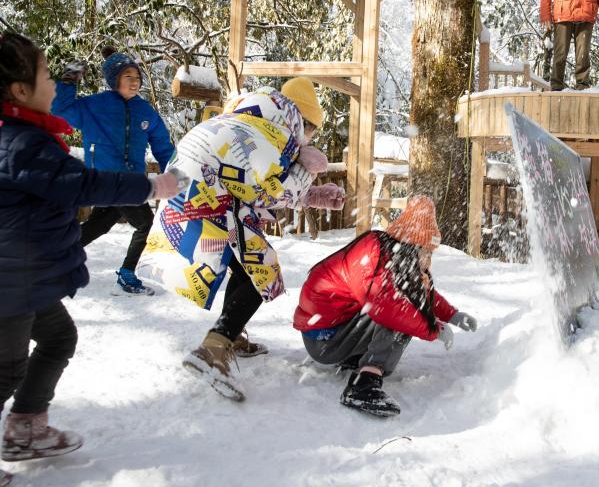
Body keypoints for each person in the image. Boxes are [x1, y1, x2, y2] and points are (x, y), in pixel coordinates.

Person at [0, 33, 184, 481]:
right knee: (5, 370)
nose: (134, 82)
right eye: (46, 76)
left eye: (137, 76)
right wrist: (150, 186)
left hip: (28, 275)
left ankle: (25, 427)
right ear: (21, 91)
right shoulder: (25, 143)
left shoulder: (27, 136)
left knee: (59, 338)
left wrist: (172, 164)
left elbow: (161, 141)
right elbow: (79, 182)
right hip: (12, 278)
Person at [141, 77, 345, 402]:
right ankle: (214, 349)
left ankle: (230, 336)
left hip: (192, 197)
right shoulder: (275, 134)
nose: (308, 141)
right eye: (311, 133)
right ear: (301, 122)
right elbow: (272, 188)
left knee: (245, 265)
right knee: (260, 271)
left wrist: (312, 194)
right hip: (210, 202)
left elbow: (256, 185)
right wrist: (305, 174)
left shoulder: (250, 119)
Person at [293, 195, 478, 418]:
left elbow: (419, 292)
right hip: (323, 339)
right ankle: (363, 385)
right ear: (412, 246)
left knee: (405, 310)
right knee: (398, 315)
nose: (428, 261)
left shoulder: (392, 254)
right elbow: (388, 307)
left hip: (336, 330)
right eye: (426, 252)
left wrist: (453, 315)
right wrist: (432, 329)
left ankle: (361, 362)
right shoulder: (372, 255)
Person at [52, 46, 175, 296]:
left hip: (127, 182)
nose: (134, 82)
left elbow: (162, 146)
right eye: (127, 77)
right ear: (114, 80)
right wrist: (68, 78)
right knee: (146, 225)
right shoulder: (95, 106)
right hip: (106, 180)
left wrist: (173, 172)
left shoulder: (145, 111)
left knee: (98, 226)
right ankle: (127, 273)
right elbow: (61, 110)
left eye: (137, 77)